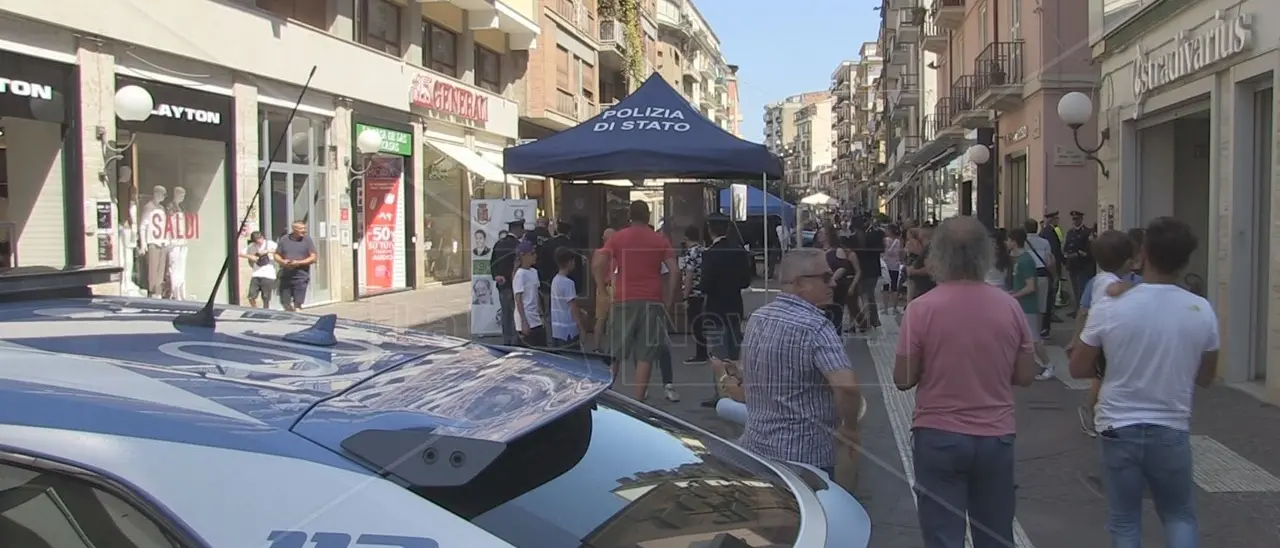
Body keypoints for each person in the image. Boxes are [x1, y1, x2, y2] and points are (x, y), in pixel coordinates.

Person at [1068, 217, 1217, 547]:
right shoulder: (1201, 309)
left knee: (1124, 520)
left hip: (1118, 425)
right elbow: (1206, 377)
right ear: (1186, 259)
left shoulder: (1112, 305)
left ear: (1144, 253)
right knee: (1179, 514)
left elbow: (1078, 368)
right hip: (1170, 426)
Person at [894, 216, 1038, 548]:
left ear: (937, 255)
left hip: (938, 434)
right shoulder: (1010, 307)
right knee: (995, 534)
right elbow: (1026, 376)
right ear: (987, 254)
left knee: (943, 535)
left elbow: (903, 379)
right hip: (995, 436)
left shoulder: (920, 309)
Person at [740, 248, 863, 478]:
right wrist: (850, 427)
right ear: (798, 284)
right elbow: (847, 386)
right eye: (826, 278)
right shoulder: (816, 327)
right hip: (805, 455)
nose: (834, 283)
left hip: (757, 447)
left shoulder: (757, 318)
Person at [592, 201, 678, 401]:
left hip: (623, 299)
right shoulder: (660, 240)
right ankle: (638, 401)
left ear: (630, 216)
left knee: (615, 351)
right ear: (648, 216)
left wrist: (603, 290)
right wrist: (668, 300)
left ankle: (606, 395)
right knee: (645, 355)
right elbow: (674, 271)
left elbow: (598, 263)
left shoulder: (619, 237)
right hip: (652, 300)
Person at [1068, 230, 1141, 438]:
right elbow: (1112, 292)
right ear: (1126, 261)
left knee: (1104, 377)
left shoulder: (1098, 279)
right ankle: (1093, 411)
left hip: (1100, 337)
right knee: (1106, 377)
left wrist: (1076, 338)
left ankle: (1094, 411)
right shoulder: (1110, 282)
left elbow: (1083, 312)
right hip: (1106, 338)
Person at [697, 213, 751, 407]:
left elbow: (705, 284)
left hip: (715, 309)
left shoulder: (710, 253)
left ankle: (722, 394)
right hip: (735, 306)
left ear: (710, 229)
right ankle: (737, 389)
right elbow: (746, 281)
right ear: (727, 229)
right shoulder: (738, 251)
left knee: (718, 353)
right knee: (734, 352)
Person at [1008, 228, 1052, 380]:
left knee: (1034, 339)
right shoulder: (1019, 259)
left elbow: (1031, 286)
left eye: (1008, 240)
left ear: (1013, 241)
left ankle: (1048, 365)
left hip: (1028, 306)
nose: (1006, 243)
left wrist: (1013, 295)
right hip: (1022, 305)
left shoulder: (1025, 260)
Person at [491, 220, 524, 345]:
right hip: (516, 286)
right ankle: (515, 341)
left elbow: (492, 263)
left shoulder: (499, 244)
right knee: (516, 314)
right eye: (521, 229)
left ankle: (507, 341)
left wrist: (497, 276)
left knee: (505, 314)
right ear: (517, 230)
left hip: (503, 286)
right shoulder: (519, 246)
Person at [679, 224, 709, 365]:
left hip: (693, 293)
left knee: (696, 324)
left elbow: (689, 276)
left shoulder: (690, 253)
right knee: (701, 324)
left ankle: (700, 354)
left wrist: (684, 295)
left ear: (686, 238)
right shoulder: (704, 250)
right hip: (703, 291)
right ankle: (703, 352)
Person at [273, 221, 317, 312]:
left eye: (304, 228)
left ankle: (298, 320)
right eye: (301, 229)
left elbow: (313, 257)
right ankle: (291, 317)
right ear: (294, 229)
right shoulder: (284, 239)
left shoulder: (307, 240)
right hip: (286, 275)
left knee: (298, 305)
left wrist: (298, 262)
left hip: (301, 276)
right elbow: (276, 255)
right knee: (285, 303)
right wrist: (282, 261)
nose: (304, 231)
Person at [817, 225, 854, 331]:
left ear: (828, 236)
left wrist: (832, 278)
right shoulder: (818, 251)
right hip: (821, 288)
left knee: (835, 315)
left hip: (836, 289)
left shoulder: (838, 251)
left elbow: (843, 267)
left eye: (821, 233)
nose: (819, 236)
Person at [549, 247, 588, 347]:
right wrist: (581, 328)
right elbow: (572, 307)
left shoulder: (555, 280)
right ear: (568, 262)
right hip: (568, 330)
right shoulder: (568, 283)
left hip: (556, 329)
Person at [1024, 218, 1056, 339]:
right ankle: (1041, 329)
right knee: (1042, 302)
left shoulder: (1023, 242)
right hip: (1042, 273)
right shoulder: (1045, 242)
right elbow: (1049, 261)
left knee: (1028, 302)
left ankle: (1029, 329)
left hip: (1027, 273)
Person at [852, 217, 885, 330]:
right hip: (870, 269)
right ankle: (871, 320)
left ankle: (870, 321)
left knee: (866, 296)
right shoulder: (871, 235)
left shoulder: (870, 236)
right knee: (867, 295)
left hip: (866, 270)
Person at [513, 241, 546, 347]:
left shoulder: (534, 272)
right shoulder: (520, 275)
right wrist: (523, 321)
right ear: (523, 256)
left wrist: (541, 314)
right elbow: (518, 299)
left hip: (536, 317)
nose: (535, 256)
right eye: (531, 254)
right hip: (526, 318)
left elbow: (536, 294)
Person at [1062, 210, 1095, 316]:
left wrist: (1079, 254)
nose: (1075, 221)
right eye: (1074, 219)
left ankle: (1082, 310)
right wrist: (1067, 254)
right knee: (1075, 289)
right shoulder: (1070, 232)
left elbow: (1088, 250)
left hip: (1083, 265)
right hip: (1073, 265)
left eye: (1077, 219)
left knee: (1083, 288)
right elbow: (1067, 246)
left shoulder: (1087, 232)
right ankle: (1077, 309)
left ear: (1081, 219)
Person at [590, 228, 616, 351]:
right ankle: (612, 349)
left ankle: (596, 347)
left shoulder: (598, 253)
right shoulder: (616, 253)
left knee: (600, 319)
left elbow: (594, 270)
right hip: (613, 288)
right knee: (613, 321)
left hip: (600, 287)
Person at [240, 231, 277, 309]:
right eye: (256, 242)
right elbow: (240, 253)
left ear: (262, 238)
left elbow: (280, 250)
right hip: (256, 273)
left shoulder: (270, 243)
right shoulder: (251, 246)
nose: (258, 244)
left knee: (266, 297)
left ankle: (266, 311)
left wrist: (267, 251)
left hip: (268, 274)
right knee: (251, 296)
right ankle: (255, 308)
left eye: (259, 241)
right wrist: (250, 256)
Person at [905, 225, 936, 299]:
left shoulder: (930, 248)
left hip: (924, 286)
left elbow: (929, 268)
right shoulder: (926, 247)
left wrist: (913, 271)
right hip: (919, 284)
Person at [882, 225, 904, 313]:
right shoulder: (899, 242)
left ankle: (885, 309)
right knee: (894, 287)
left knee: (885, 287)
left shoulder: (885, 241)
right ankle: (894, 308)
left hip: (885, 266)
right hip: (895, 266)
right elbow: (901, 254)